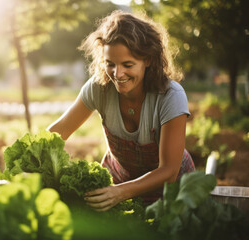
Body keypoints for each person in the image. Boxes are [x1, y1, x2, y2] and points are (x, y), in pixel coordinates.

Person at [47, 10, 195, 211]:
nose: (117, 74)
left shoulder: (170, 96)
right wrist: (30, 157)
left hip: (169, 190)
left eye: (127, 65)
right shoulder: (99, 88)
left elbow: (168, 170)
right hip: (117, 182)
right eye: (110, 64)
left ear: (148, 60)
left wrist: (120, 193)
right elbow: (58, 131)